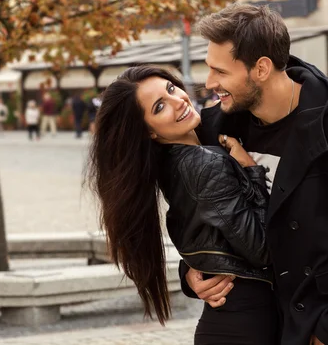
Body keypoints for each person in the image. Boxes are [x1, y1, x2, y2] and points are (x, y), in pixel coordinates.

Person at [179, 3, 328, 345]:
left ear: (261, 68)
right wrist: (192, 273)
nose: (210, 83)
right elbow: (205, 218)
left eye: (220, 71)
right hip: (259, 322)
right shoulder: (219, 124)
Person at [87, 65, 276, 344]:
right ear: (149, 132)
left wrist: (190, 270)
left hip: (235, 320)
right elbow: (262, 248)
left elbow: (206, 232)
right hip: (247, 325)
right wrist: (252, 171)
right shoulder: (203, 163)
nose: (179, 101)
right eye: (160, 107)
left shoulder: (173, 164)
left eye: (171, 89)